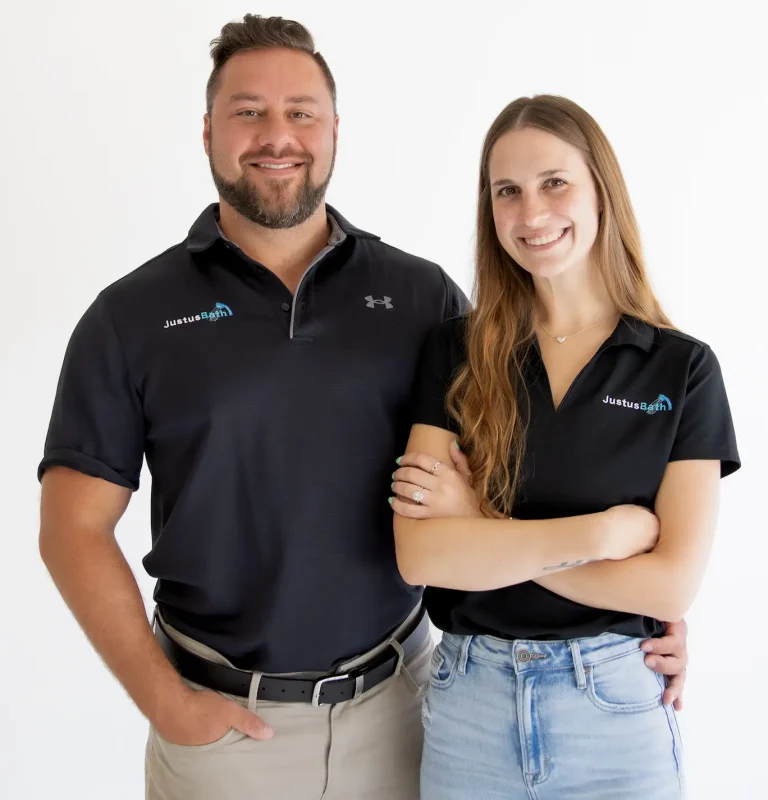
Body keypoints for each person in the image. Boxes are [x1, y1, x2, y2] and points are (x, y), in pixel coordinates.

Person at [36, 14, 688, 800]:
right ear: (208, 131)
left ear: (335, 130)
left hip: (409, 714)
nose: (278, 135)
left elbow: (513, 506)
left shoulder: (421, 299)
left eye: (301, 112)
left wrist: (639, 611)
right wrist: (165, 703)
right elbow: (72, 530)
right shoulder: (130, 316)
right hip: (224, 733)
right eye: (249, 111)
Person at [391, 94, 740, 799]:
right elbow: (422, 554)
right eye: (507, 192)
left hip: (613, 709)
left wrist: (486, 534)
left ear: (600, 191)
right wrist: (603, 534)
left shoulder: (681, 369)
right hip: (470, 709)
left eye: (555, 183)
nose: (531, 213)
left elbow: (669, 584)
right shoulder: (454, 352)